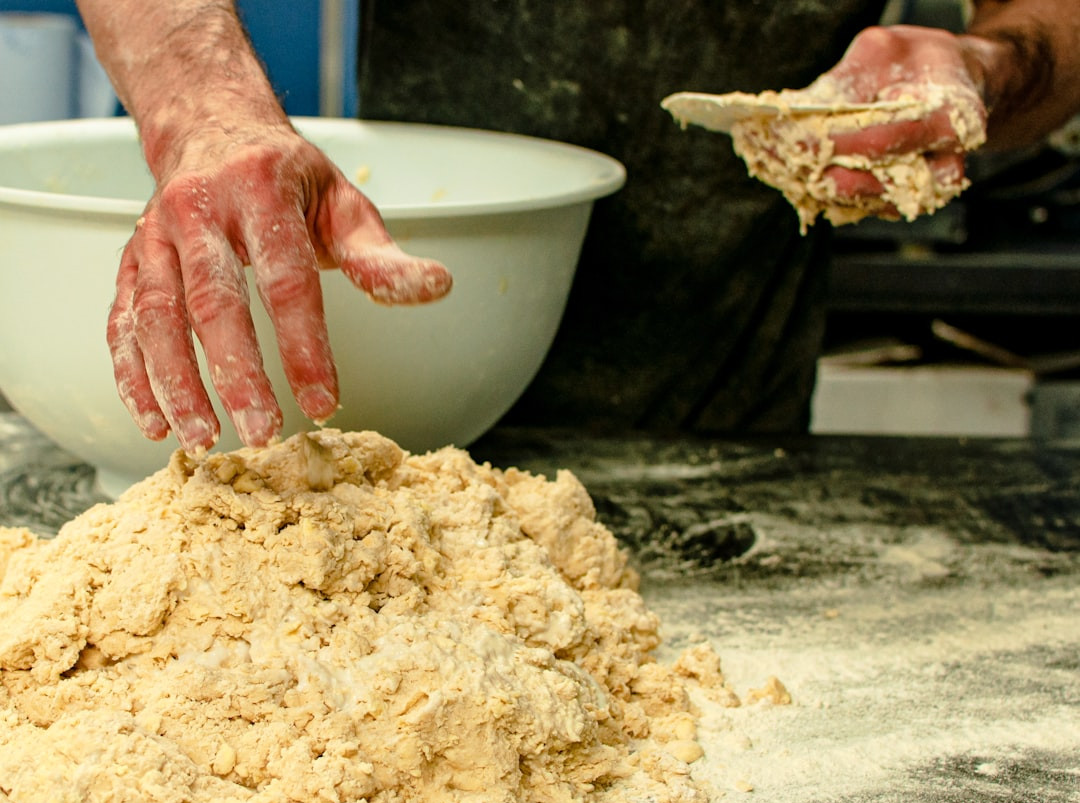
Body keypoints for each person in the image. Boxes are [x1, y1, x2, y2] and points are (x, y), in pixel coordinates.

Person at [72, 0, 1080, 454]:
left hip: (722, 395)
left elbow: (1048, 18)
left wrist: (986, 68)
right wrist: (203, 103)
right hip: (399, 376)